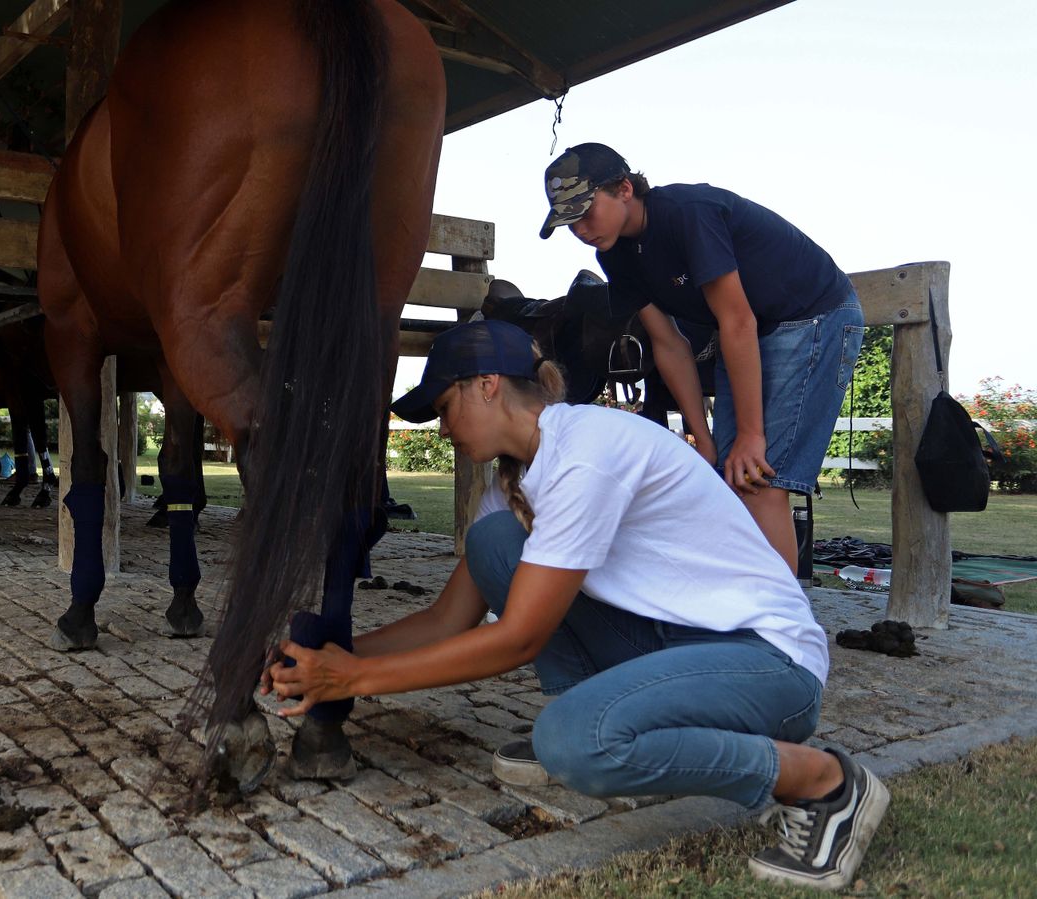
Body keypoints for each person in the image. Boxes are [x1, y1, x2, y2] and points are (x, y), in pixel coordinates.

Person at [264, 320, 888, 891]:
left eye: (445, 407)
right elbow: (445, 619)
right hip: (680, 646)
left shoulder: (587, 452)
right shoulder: (521, 472)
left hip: (770, 666)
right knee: (496, 543)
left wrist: (355, 679)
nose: (443, 427)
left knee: (575, 742)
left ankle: (824, 783)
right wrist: (327, 661)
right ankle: (598, 708)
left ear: (486, 386)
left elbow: (518, 639)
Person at [539, 143, 863, 573]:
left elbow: (737, 320)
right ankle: (748, 608)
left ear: (624, 189)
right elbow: (668, 344)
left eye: (585, 212)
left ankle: (781, 627)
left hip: (811, 315)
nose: (580, 229)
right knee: (733, 476)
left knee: (758, 479)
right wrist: (704, 439)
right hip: (749, 331)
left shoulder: (687, 213)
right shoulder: (614, 254)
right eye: (568, 222)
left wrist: (750, 433)